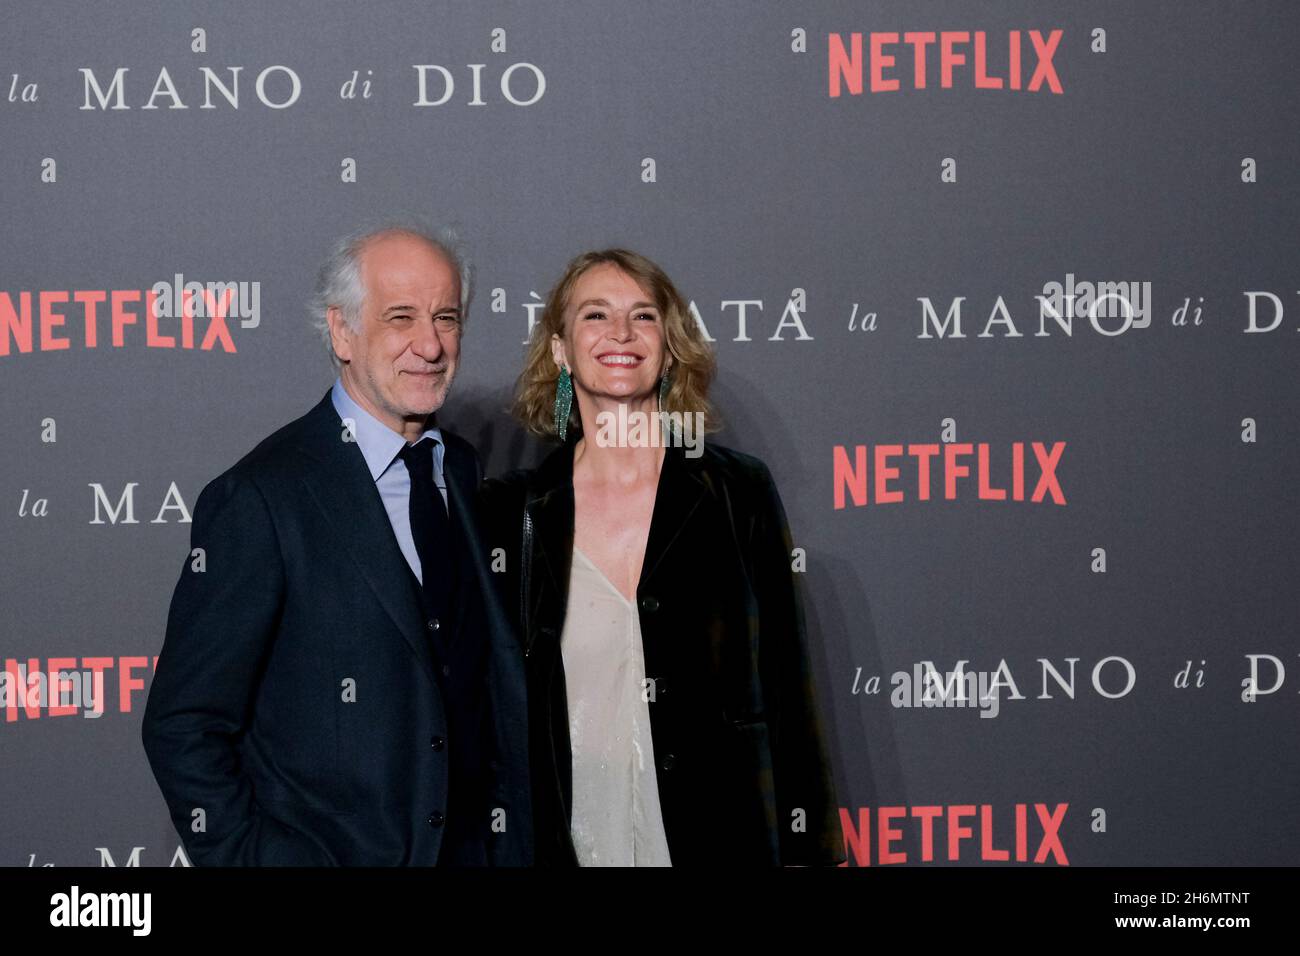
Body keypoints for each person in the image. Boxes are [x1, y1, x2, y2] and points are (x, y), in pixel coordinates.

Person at [142, 220, 531, 866]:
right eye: (401, 318)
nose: (430, 346)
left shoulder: (461, 472)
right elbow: (184, 724)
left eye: (447, 317)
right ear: (343, 331)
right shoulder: (262, 498)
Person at [481, 249, 843, 866]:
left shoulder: (736, 492)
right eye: (596, 315)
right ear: (561, 350)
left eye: (643, 317)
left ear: (670, 348)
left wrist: (809, 851)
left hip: (718, 836)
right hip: (571, 841)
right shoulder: (515, 513)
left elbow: (785, 678)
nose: (621, 333)